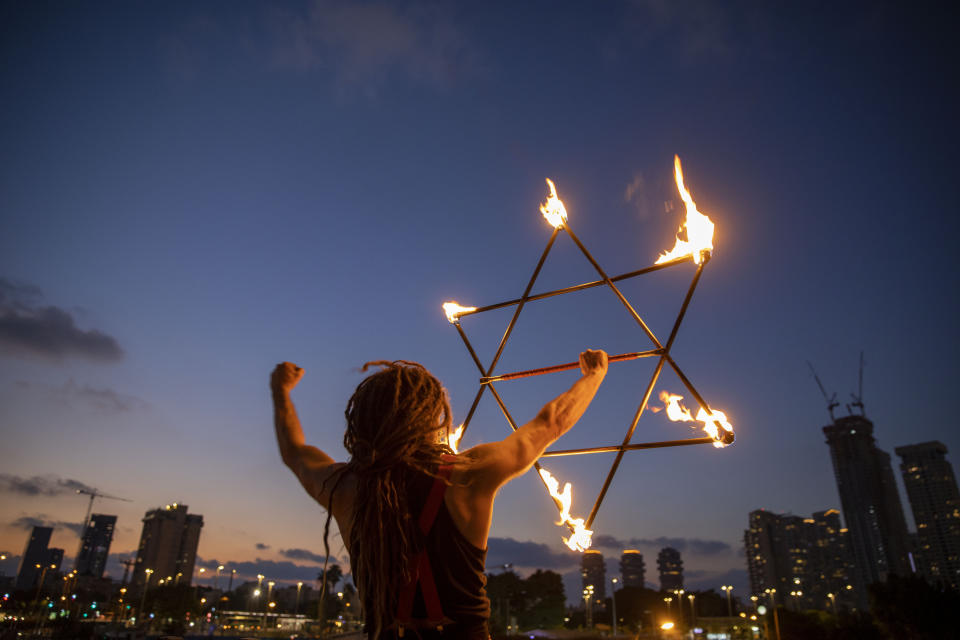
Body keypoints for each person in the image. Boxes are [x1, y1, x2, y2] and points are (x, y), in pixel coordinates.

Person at [271, 349, 608, 639]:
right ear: (429, 418)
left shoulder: (345, 486)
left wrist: (281, 392)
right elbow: (550, 423)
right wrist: (594, 375)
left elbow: (295, 451)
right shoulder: (466, 475)